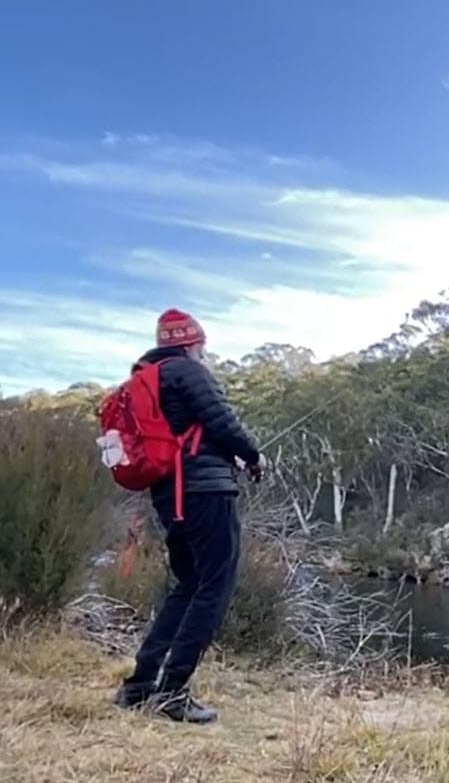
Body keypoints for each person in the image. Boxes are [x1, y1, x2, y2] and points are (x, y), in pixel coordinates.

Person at [114, 309, 265, 723]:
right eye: (202, 345)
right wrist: (253, 457)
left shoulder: (148, 378)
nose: (204, 352)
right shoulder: (188, 372)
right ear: (192, 342)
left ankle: (141, 685)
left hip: (170, 496)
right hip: (204, 493)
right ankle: (173, 692)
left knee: (189, 584)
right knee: (214, 586)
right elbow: (223, 423)